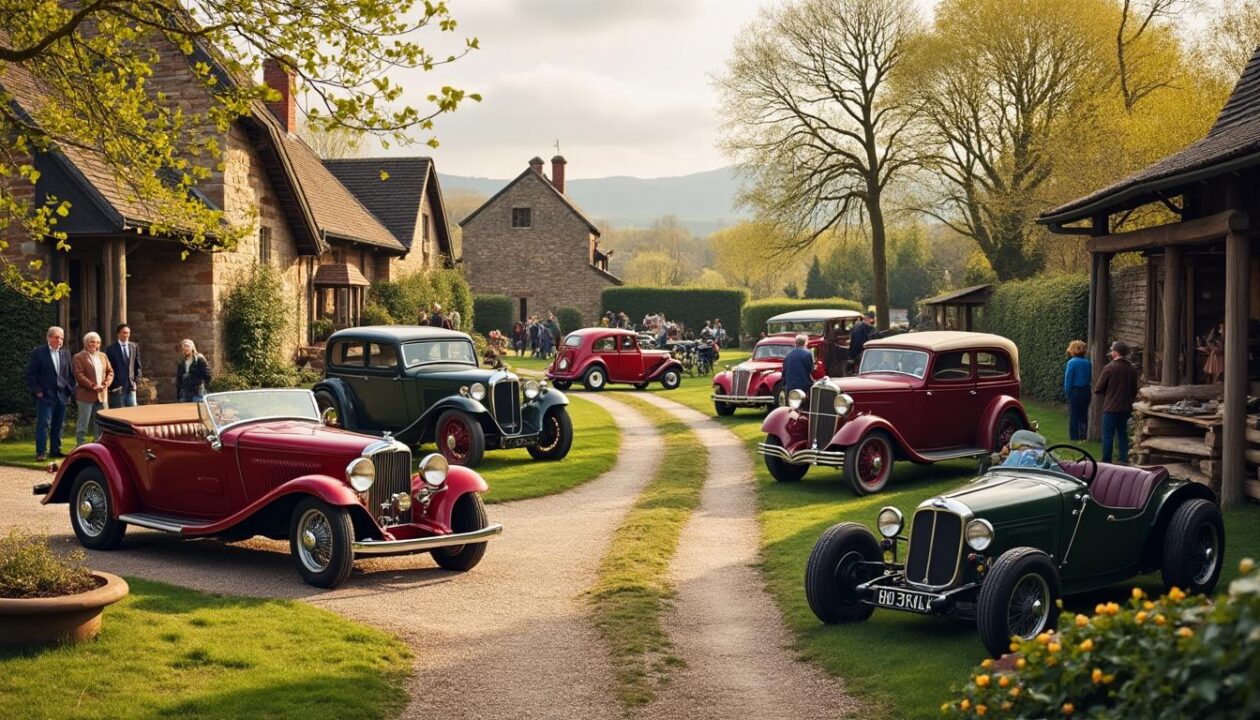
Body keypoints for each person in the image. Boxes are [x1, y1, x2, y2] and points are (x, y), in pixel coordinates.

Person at [25, 326, 75, 461]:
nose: (59, 340)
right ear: (49, 338)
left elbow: (70, 375)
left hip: (62, 396)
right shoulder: (38, 353)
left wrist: (69, 390)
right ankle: (41, 452)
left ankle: (55, 450)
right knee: (44, 424)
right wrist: (38, 391)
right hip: (45, 396)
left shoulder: (66, 353)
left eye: (62, 338)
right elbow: (30, 374)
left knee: (59, 425)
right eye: (57, 337)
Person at [1094, 340, 1139, 464]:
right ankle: (1124, 459)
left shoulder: (1109, 368)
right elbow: (1134, 390)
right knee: (1122, 434)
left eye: (1112, 350)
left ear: (1115, 352)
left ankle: (1107, 460)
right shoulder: (1132, 369)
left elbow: (1099, 388)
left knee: (1108, 434)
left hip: (1111, 407)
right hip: (1126, 407)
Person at [72, 331, 114, 446]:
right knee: (83, 423)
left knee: (102, 422)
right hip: (85, 395)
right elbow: (79, 375)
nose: (94, 344)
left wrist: (106, 384)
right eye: (92, 342)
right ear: (86, 343)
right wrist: (92, 386)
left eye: (97, 342)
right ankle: (80, 445)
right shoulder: (78, 357)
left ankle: (99, 444)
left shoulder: (103, 356)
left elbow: (110, 372)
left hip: (102, 395)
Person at [105, 322, 142, 408]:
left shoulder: (134, 346)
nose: (126, 335)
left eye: (128, 333)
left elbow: (138, 366)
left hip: (131, 387)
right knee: (118, 415)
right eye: (124, 333)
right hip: (117, 389)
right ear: (118, 333)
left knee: (133, 413)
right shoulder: (111, 349)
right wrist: (112, 385)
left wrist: (137, 381)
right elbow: (108, 369)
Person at [1063, 340, 1091, 441]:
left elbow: (1069, 379)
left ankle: (1074, 436)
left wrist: (1067, 392)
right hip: (1086, 390)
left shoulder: (1072, 363)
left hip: (1075, 391)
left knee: (1074, 414)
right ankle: (1083, 435)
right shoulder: (1088, 362)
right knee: (1084, 414)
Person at [782, 334, 815, 407]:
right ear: (806, 342)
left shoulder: (788, 355)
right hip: (804, 385)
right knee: (805, 407)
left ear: (796, 343)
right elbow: (811, 369)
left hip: (790, 385)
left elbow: (784, 371)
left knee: (791, 407)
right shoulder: (808, 353)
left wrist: (785, 385)